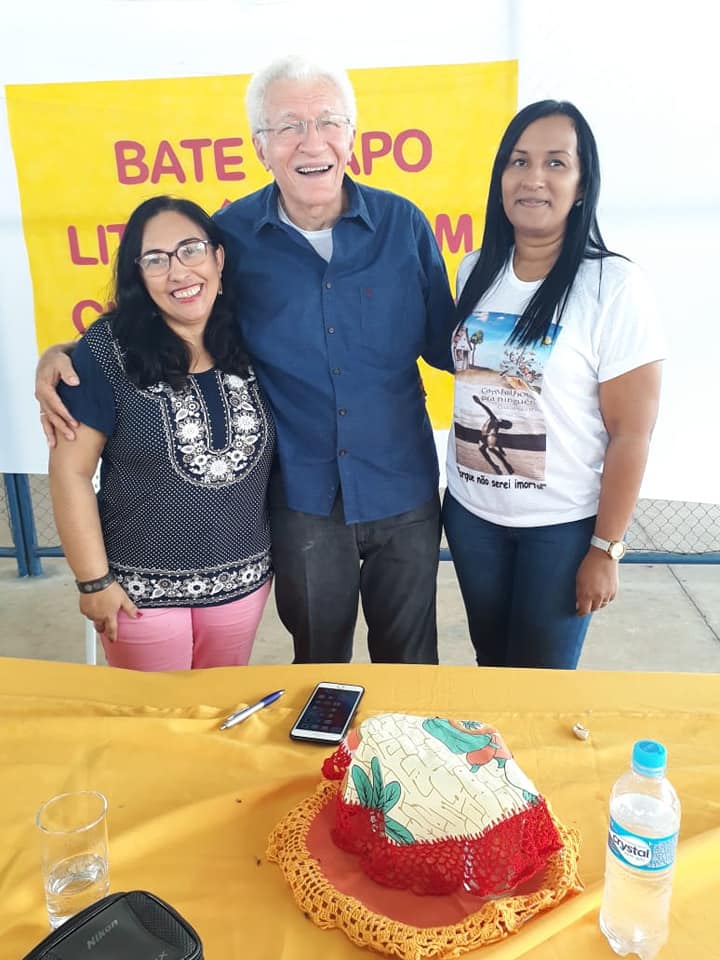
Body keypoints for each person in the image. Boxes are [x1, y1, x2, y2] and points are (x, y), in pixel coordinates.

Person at [36, 56, 456, 665]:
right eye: (289, 127)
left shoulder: (403, 226)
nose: (311, 142)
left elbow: (447, 342)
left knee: (412, 662)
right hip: (303, 499)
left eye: (327, 122)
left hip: (404, 491)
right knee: (317, 667)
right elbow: (168, 310)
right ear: (261, 147)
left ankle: (405, 764)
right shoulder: (231, 236)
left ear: (352, 135)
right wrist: (64, 355)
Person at [442, 100, 664, 669]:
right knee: (491, 665)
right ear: (500, 179)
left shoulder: (612, 286)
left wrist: (605, 548)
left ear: (582, 184)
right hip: (472, 519)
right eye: (519, 161)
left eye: (556, 163)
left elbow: (631, 434)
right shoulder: (474, 270)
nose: (533, 178)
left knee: (542, 685)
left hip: (560, 531)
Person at [48, 196, 275, 670]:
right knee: (153, 729)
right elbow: (70, 473)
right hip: (137, 596)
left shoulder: (256, 337)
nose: (178, 273)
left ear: (219, 257)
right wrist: (93, 583)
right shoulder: (107, 352)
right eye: (155, 260)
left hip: (243, 586)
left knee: (216, 718)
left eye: (191, 250)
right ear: (138, 274)